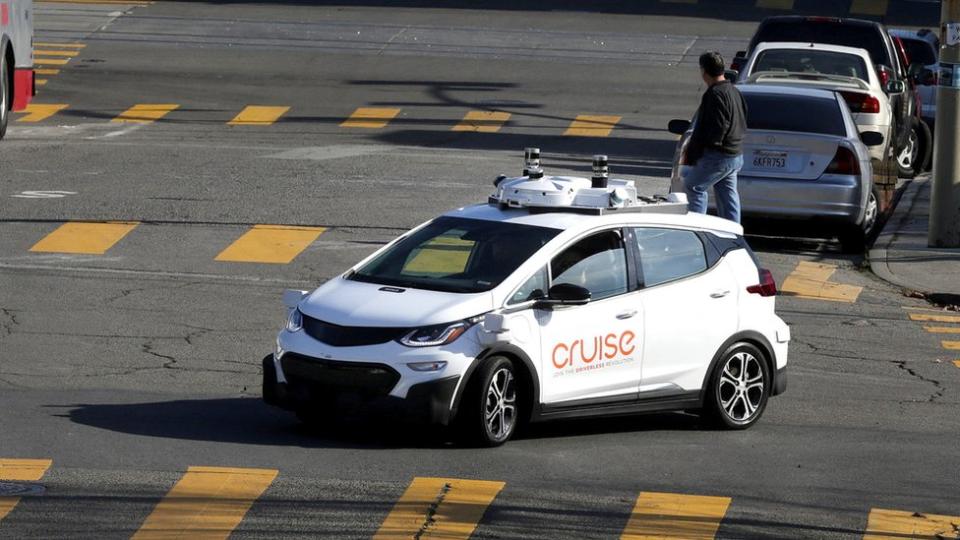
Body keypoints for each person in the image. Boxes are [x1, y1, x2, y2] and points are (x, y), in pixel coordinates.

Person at [683, 51, 748, 223]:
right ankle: (733, 233)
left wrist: (705, 147)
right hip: (735, 154)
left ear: (704, 71)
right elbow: (742, 118)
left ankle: (697, 229)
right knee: (727, 195)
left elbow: (719, 126)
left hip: (718, 155)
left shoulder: (715, 94)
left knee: (694, 187)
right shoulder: (733, 91)